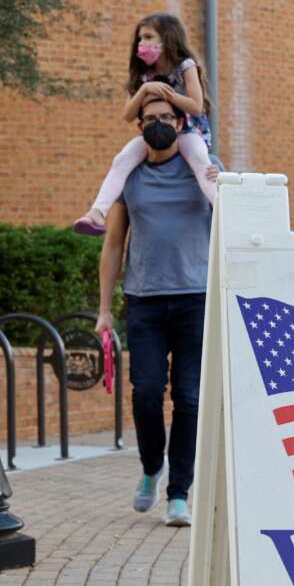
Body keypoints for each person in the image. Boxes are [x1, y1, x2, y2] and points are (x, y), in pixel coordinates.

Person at [94, 90, 213, 528]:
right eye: (150, 118)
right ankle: (150, 468)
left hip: (195, 299)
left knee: (188, 398)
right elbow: (112, 245)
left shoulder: (202, 171)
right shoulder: (130, 177)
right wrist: (104, 309)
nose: (158, 122)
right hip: (143, 300)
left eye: (167, 116)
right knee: (145, 392)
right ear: (139, 126)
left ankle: (179, 493)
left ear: (180, 124)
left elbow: (231, 220)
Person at [74, 12, 216, 236]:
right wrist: (144, 90)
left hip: (187, 130)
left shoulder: (186, 66)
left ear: (167, 39)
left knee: (201, 161)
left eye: (148, 37)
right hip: (155, 130)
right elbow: (128, 115)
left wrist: (168, 96)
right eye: (140, 39)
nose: (142, 43)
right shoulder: (144, 75)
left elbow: (196, 107)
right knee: (121, 160)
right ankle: (96, 213)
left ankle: (223, 209)